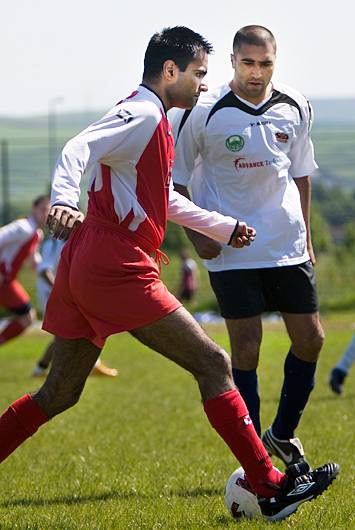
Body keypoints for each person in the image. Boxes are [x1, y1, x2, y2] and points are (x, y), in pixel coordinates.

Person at [0, 27, 338, 522]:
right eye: (199, 74)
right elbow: (78, 147)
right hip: (114, 264)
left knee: (59, 393)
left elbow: (164, 199)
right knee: (214, 363)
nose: (205, 85)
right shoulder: (140, 112)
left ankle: (268, 482)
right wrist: (62, 201)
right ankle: (269, 485)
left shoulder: (155, 117)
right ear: (171, 71)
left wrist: (224, 226)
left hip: (90, 261)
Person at [172, 25, 324, 469]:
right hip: (231, 245)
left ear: (275, 62)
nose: (256, 73)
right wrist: (199, 235)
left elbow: (301, 173)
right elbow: (175, 181)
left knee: (311, 339)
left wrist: (308, 237)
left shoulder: (295, 105)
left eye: (265, 64)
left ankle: (282, 433)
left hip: (287, 243)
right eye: (248, 63)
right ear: (233, 62)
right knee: (246, 349)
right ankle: (256, 461)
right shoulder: (201, 110)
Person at [32, 237, 118, 377]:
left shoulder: (75, 241)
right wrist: (61, 290)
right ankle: (43, 368)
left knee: (76, 331)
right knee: (69, 333)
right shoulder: (52, 244)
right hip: (53, 294)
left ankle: (42, 368)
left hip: (65, 295)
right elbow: (44, 271)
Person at [0, 196, 50, 346]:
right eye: (43, 209)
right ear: (33, 209)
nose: (46, 214)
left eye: (49, 210)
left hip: (7, 283)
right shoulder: (23, 227)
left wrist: (49, 275)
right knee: (27, 317)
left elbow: (33, 260)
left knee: (27, 318)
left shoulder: (36, 234)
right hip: (4, 281)